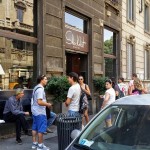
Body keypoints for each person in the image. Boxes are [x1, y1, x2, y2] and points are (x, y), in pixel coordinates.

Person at [31, 75, 52, 150]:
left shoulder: (36, 87)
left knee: (34, 127)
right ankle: (40, 146)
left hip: (34, 111)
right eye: (45, 79)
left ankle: (34, 144)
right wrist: (48, 104)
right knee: (41, 129)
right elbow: (39, 101)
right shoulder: (40, 89)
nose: (47, 80)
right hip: (40, 112)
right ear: (41, 80)